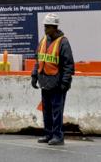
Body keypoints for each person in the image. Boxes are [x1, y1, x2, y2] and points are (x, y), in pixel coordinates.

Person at [31, 13, 75, 146]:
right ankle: (48, 134)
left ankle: (58, 136)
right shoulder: (43, 40)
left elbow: (69, 65)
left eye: (48, 27)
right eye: (45, 27)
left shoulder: (63, 42)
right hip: (45, 83)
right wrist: (34, 76)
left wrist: (65, 83)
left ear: (55, 27)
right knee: (47, 112)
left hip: (57, 84)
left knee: (57, 112)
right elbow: (38, 60)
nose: (45, 29)